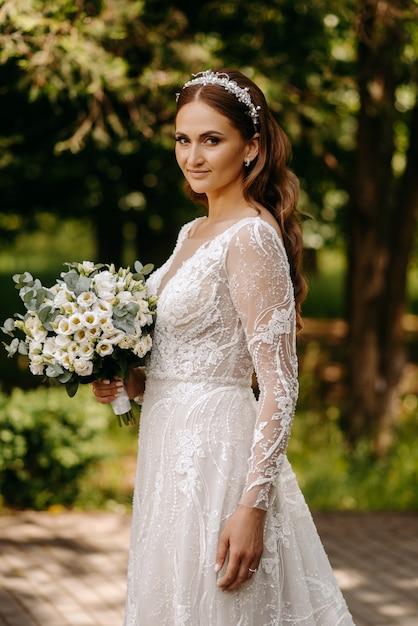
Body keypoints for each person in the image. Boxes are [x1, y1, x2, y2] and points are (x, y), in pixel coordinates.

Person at [92, 69, 355, 625]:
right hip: (166, 446)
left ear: (251, 147)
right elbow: (183, 355)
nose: (193, 156)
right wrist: (127, 381)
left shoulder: (252, 237)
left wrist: (251, 505)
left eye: (212, 139)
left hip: (220, 455)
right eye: (183, 140)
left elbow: (280, 385)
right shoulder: (192, 233)